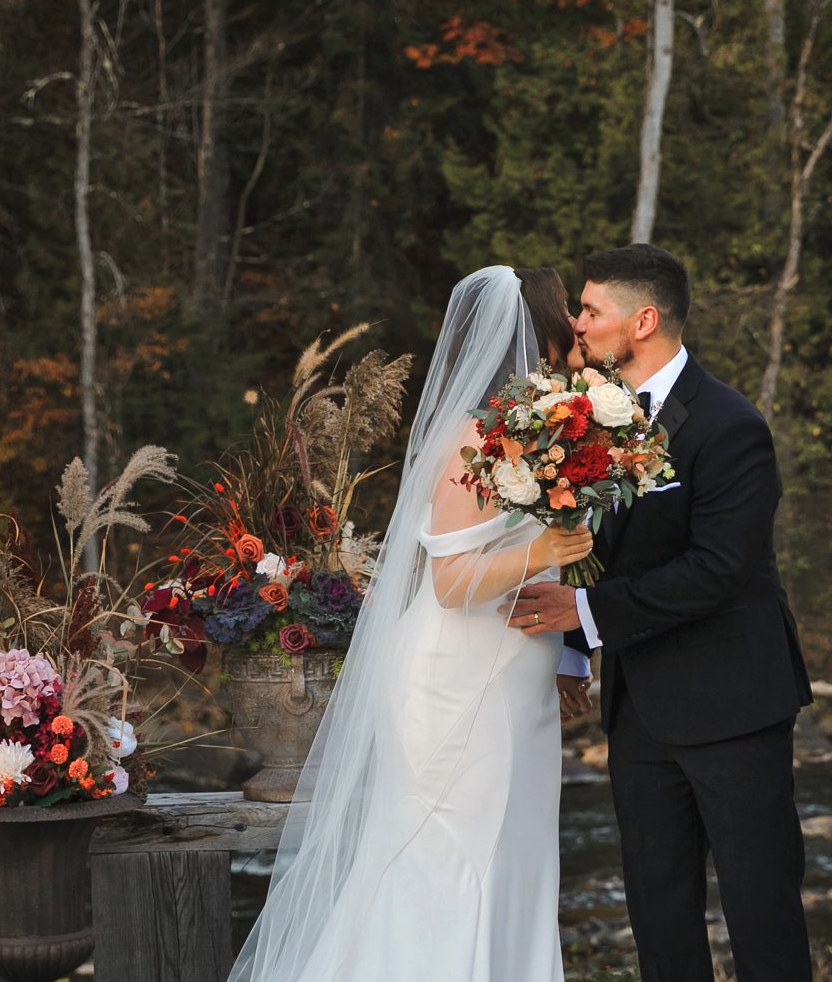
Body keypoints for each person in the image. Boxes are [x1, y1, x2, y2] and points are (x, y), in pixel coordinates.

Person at [227, 265, 591, 981]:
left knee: (515, 856)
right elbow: (453, 583)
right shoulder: (469, 441)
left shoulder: (538, 433)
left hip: (519, 676)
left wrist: (569, 650)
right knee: (450, 859)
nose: (576, 344)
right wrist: (546, 550)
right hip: (459, 682)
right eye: (565, 329)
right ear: (535, 339)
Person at [510, 243, 816, 982]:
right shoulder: (588, 420)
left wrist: (582, 613)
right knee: (658, 915)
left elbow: (718, 570)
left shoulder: (728, 425)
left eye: (590, 310)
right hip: (639, 709)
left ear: (642, 320)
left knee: (761, 913)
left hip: (733, 706)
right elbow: (590, 548)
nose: (576, 324)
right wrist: (575, 653)